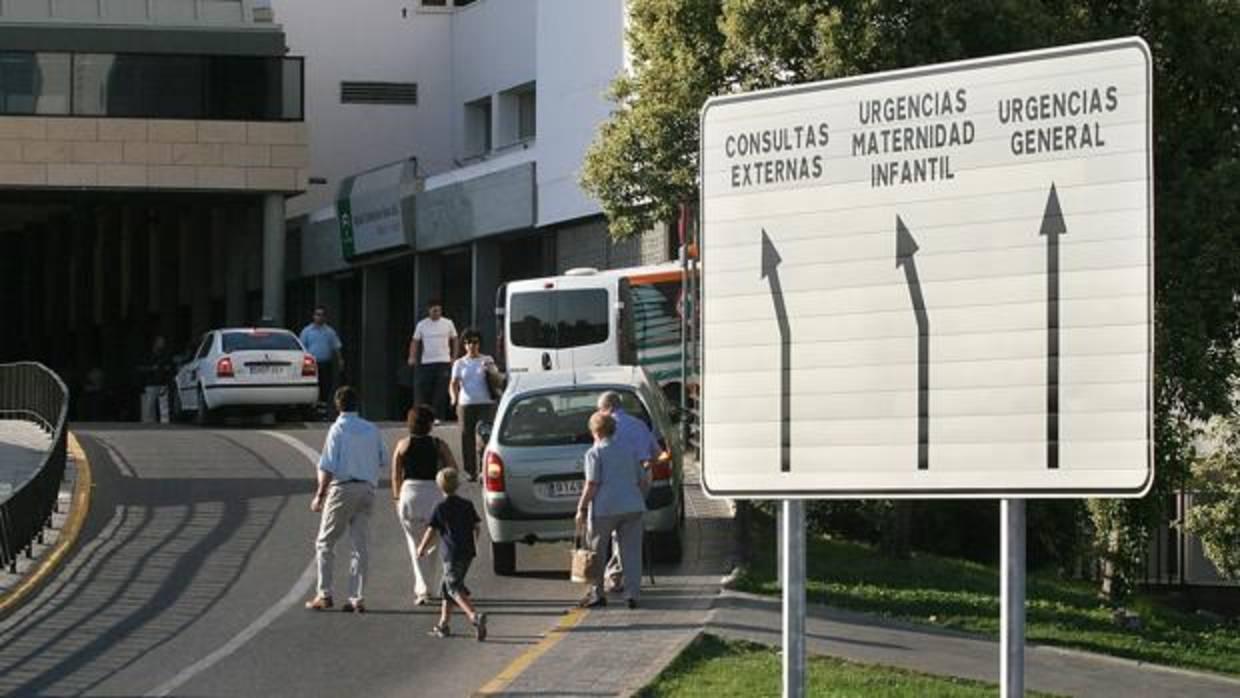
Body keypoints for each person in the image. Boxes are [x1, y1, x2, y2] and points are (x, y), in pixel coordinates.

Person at [305, 386, 386, 613]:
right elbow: (383, 459)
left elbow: (328, 465)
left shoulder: (337, 429)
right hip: (367, 488)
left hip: (343, 488)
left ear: (337, 405)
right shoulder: (371, 428)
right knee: (360, 545)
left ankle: (324, 593)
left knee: (325, 542)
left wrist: (320, 495)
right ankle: (356, 597)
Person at [575, 411, 649, 610]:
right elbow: (643, 480)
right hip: (632, 506)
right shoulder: (629, 450)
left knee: (597, 552)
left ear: (595, 432)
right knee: (631, 552)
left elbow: (592, 484)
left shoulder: (594, 453)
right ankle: (632, 594)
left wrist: (581, 507)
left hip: (604, 509)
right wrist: (638, 498)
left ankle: (598, 593)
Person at [391, 404, 458, 606]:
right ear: (429, 424)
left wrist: (397, 498)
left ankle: (422, 590)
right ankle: (437, 586)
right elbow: (452, 469)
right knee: (435, 543)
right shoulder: (439, 444)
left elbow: (396, 475)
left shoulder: (402, 445)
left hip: (409, 494)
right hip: (433, 493)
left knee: (415, 544)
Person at [596, 390, 660, 592]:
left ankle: (615, 575)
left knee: (618, 528)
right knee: (629, 528)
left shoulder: (606, 427)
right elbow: (656, 454)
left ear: (607, 408)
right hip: (642, 476)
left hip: (619, 479)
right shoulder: (639, 424)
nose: (599, 413)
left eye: (599, 409)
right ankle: (621, 576)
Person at [417, 467, 487, 641]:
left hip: (451, 554)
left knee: (453, 588)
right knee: (447, 586)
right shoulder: (467, 504)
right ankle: (443, 624)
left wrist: (422, 548)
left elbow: (431, 531)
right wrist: (475, 543)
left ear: (439, 486)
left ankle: (474, 616)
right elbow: (477, 527)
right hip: (467, 552)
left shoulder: (440, 508)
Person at [450, 329, 500, 481]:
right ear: (464, 345)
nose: (472, 345)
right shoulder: (459, 363)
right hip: (466, 404)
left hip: (486, 403)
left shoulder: (487, 359)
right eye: (468, 342)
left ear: (479, 344)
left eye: (475, 342)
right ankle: (470, 471)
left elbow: (497, 379)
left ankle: (483, 469)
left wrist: (490, 370)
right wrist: (454, 397)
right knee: (467, 437)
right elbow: (453, 383)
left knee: (485, 436)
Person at [408, 300, 458, 422]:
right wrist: (412, 356)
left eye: (438, 310)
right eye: (434, 310)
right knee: (425, 390)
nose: (436, 313)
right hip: (427, 362)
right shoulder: (422, 324)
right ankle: (425, 417)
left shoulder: (448, 323)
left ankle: (438, 416)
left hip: (443, 361)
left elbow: (455, 339)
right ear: (429, 310)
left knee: (440, 391)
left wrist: (454, 357)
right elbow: (415, 341)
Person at [299, 305, 344, 417]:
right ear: (313, 316)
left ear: (325, 317)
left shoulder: (329, 331)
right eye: (317, 314)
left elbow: (336, 347)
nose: (319, 317)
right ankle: (311, 411)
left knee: (325, 387)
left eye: (322, 315)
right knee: (313, 386)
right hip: (311, 364)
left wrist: (340, 360)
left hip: (325, 363)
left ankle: (322, 412)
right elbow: (301, 348)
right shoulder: (307, 331)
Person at [137, 335, 174, 423]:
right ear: (155, 343)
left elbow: (171, 367)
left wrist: (167, 369)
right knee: (150, 406)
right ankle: (149, 423)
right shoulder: (147, 355)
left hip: (163, 383)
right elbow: (139, 368)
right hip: (151, 383)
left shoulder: (165, 355)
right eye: (160, 342)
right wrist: (151, 368)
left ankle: (165, 424)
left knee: (164, 407)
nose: (162, 344)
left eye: (163, 342)